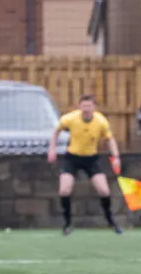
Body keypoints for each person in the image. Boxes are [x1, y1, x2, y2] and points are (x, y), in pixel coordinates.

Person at [47, 94, 123, 235]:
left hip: (91, 159)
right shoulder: (70, 119)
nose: (86, 109)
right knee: (64, 190)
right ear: (80, 106)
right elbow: (56, 132)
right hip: (72, 158)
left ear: (94, 107)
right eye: (84, 106)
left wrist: (116, 157)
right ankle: (67, 224)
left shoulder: (101, 121)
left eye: (89, 106)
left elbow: (110, 140)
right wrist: (52, 149)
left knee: (104, 191)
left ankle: (111, 221)